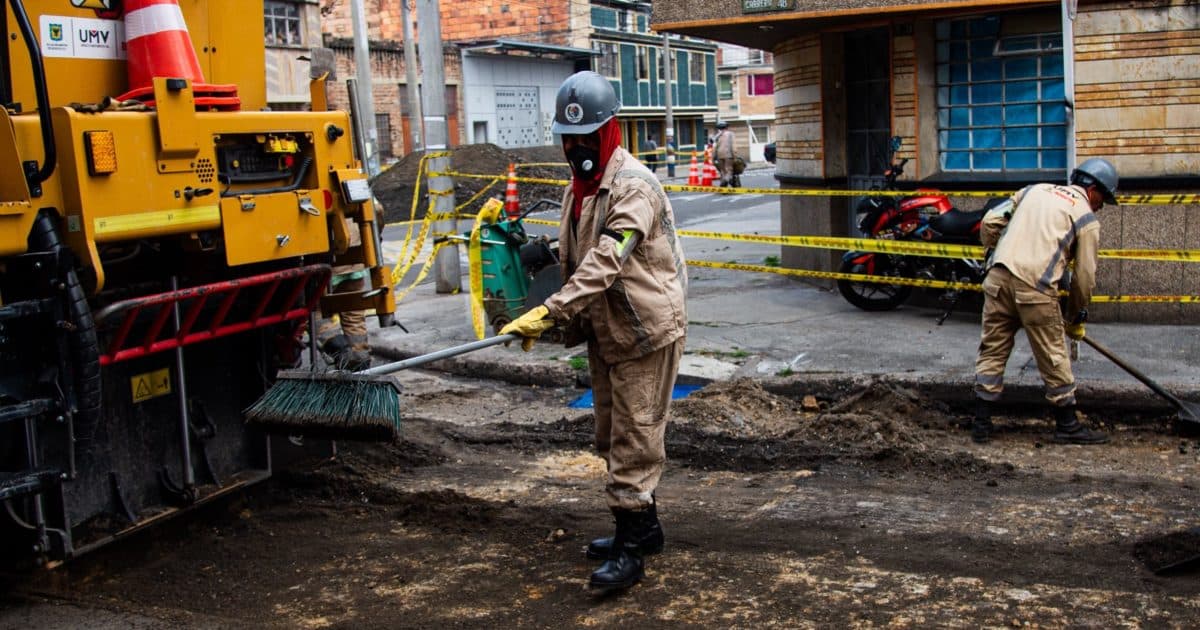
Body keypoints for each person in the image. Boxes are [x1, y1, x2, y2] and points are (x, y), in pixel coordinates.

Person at [500, 70, 688, 593]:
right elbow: (585, 247)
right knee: (611, 432)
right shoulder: (581, 189)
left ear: (611, 131)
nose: (578, 147)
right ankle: (644, 529)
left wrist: (552, 310)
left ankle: (631, 552)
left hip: (644, 331)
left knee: (635, 437)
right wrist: (550, 255)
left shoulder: (634, 188)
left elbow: (611, 255)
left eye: (588, 137)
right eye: (569, 138)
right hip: (608, 329)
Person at [972, 157, 1120, 446]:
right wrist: (1075, 318)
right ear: (1092, 190)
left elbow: (990, 220)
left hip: (998, 278)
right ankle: (1067, 424)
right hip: (1035, 288)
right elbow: (1085, 278)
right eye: (1103, 198)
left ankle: (981, 422)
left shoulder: (1033, 190)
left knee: (992, 347)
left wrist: (995, 251)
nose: (1101, 205)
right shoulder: (1086, 218)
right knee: (1053, 355)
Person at [713, 120, 735, 187]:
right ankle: (726, 180)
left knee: (722, 171)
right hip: (728, 154)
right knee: (729, 169)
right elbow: (733, 145)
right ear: (727, 127)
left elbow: (715, 147)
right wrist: (735, 155)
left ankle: (723, 183)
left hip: (719, 155)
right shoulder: (731, 134)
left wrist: (713, 157)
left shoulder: (717, 136)